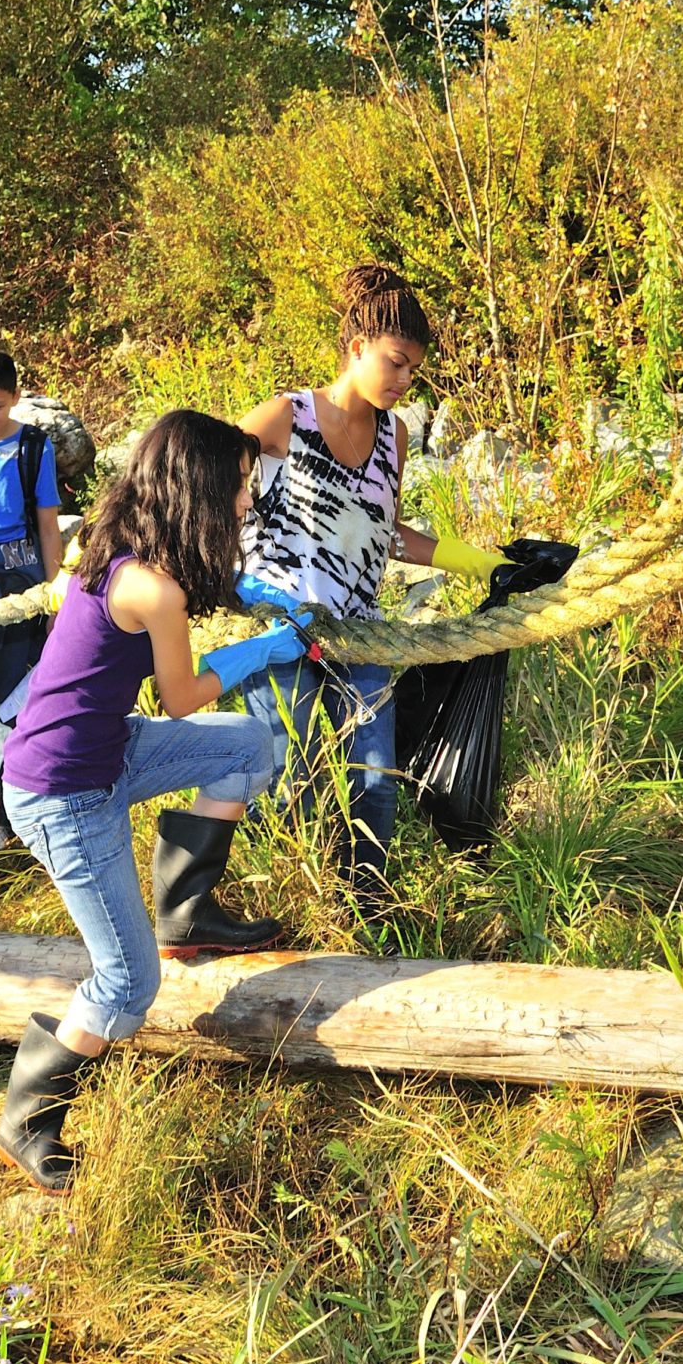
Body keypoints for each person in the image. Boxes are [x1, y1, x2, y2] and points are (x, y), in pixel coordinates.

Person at [0, 410, 302, 1194]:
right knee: (129, 983)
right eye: (236, 485)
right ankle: (28, 1118)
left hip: (105, 752)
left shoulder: (124, 547)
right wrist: (257, 651)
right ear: (197, 489)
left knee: (245, 745)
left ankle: (186, 913)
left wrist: (251, 596)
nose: (244, 500)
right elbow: (184, 698)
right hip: (62, 794)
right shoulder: (151, 587)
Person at [236, 264, 515, 917]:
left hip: (359, 628)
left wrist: (484, 564)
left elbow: (386, 533)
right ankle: (286, 909)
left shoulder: (396, 435)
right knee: (290, 779)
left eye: (413, 369)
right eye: (395, 362)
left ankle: (371, 911)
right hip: (276, 624)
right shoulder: (286, 416)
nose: (403, 379)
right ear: (356, 347)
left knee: (376, 777)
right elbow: (200, 476)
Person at [0, 349, 63, 848]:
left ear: (16, 399)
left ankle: (19, 809)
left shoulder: (33, 448)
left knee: (14, 696)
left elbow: (48, 526)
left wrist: (51, 598)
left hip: (20, 572)